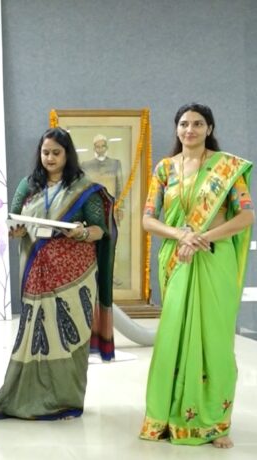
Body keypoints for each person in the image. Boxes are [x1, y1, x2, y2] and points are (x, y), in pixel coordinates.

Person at [139, 103, 253, 449]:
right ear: (177, 129)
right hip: (177, 259)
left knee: (214, 340)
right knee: (173, 337)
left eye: (198, 124)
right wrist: (182, 235)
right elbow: (148, 219)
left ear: (209, 128)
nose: (190, 130)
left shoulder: (227, 168)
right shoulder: (164, 169)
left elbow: (246, 216)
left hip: (215, 259)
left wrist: (202, 237)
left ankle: (215, 423)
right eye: (184, 124)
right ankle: (166, 418)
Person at [0, 127, 116, 420]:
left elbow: (100, 230)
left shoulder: (84, 189)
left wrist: (82, 232)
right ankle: (23, 397)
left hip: (75, 276)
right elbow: (14, 222)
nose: (49, 158)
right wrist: (15, 230)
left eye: (56, 153)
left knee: (69, 336)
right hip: (36, 270)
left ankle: (66, 399)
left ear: (67, 155)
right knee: (33, 332)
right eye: (45, 152)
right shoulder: (28, 185)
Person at [81, 134, 124, 222]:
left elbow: (119, 188)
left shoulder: (115, 164)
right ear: (94, 148)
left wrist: (121, 208)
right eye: (98, 147)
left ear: (106, 147)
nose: (100, 149)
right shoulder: (86, 165)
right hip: (92, 207)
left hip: (111, 206)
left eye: (103, 146)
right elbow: (82, 188)